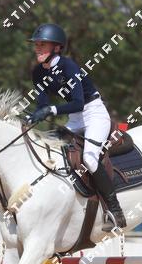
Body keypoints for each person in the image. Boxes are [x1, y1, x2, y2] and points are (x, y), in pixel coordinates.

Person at [27, 23, 126, 230]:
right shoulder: (38, 73)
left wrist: (51, 110)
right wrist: (33, 116)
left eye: (42, 44)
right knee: (52, 150)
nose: (37, 48)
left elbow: (79, 103)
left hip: (93, 113)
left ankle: (115, 210)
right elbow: (43, 105)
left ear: (57, 47)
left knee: (89, 158)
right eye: (36, 44)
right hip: (74, 118)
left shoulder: (68, 66)